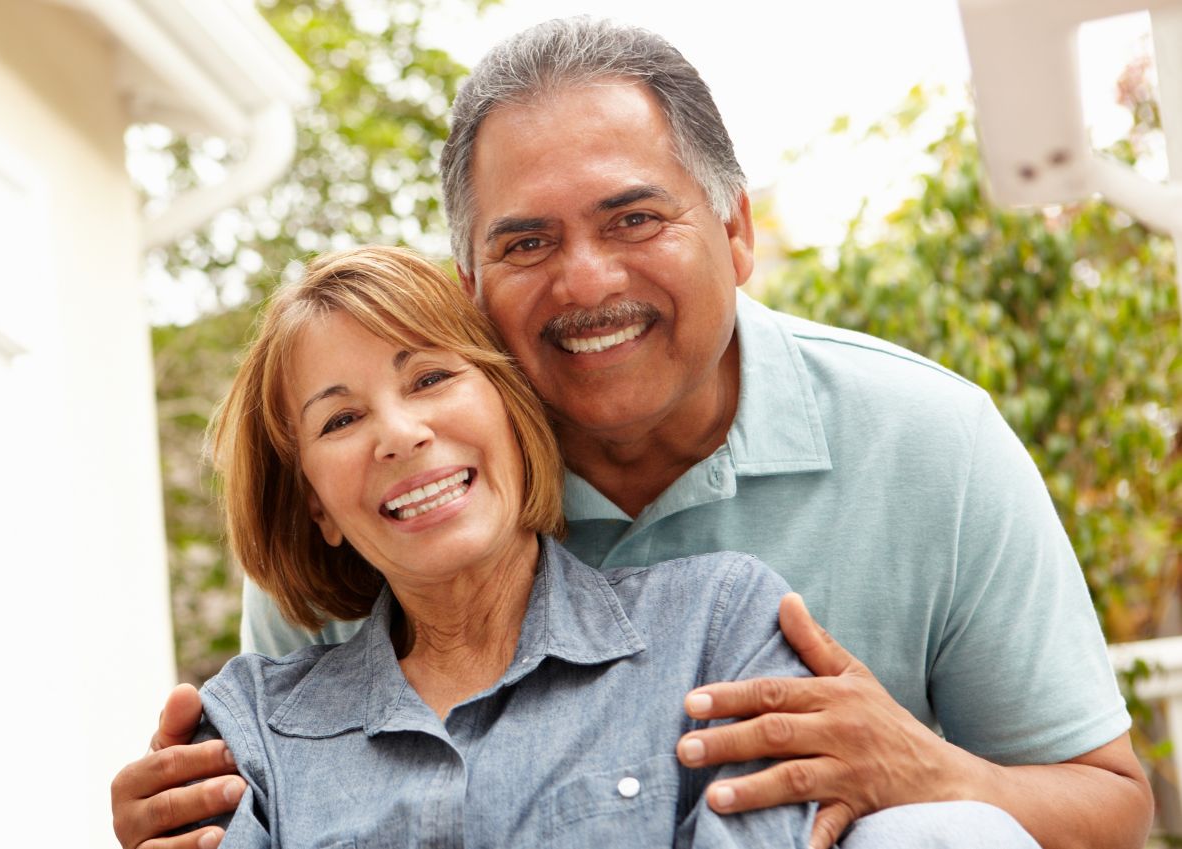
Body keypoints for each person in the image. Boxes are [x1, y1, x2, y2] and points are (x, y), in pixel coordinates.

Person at [111, 17, 1152, 849]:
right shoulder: (409, 495)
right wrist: (188, 811)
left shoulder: (928, 441)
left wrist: (930, 770)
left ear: (737, 232)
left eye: (634, 219)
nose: (587, 281)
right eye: (526, 242)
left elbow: (1111, 806)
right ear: (471, 289)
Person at [183, 245, 824, 848]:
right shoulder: (249, 729)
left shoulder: (720, 627)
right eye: (341, 420)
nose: (401, 435)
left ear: (512, 412)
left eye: (430, 377)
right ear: (316, 504)